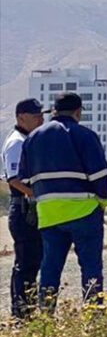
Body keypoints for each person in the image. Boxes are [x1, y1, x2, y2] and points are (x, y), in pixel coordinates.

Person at [18, 93, 107, 312]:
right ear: (78, 112)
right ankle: (93, 316)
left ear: (53, 111)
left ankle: (46, 315)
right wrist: (104, 201)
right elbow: (100, 178)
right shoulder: (85, 135)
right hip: (84, 211)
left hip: (49, 214)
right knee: (90, 267)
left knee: (50, 268)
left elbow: (24, 179)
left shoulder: (32, 138)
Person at [4, 99, 46, 317]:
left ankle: (26, 309)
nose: (41, 119)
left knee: (34, 261)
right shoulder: (17, 142)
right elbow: (14, 180)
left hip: (32, 209)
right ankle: (21, 312)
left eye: (41, 115)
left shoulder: (31, 140)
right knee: (26, 263)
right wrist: (38, 194)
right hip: (23, 209)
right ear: (21, 117)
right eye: (35, 115)